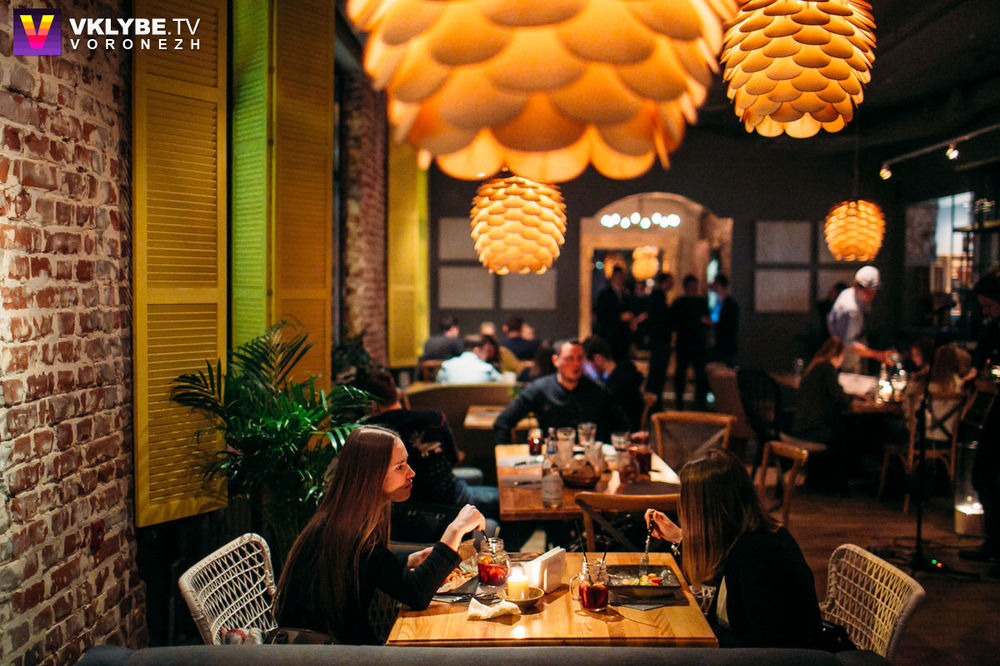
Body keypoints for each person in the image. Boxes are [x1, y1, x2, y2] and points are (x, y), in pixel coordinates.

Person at [275, 425, 486, 644]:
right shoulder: (351, 533)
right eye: (399, 467)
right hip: (325, 653)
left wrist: (408, 560)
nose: (411, 473)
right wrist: (455, 530)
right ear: (371, 475)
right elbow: (415, 594)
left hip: (338, 644)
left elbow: (371, 567)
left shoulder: (345, 520)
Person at [645, 448, 821, 649]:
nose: (683, 511)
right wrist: (678, 537)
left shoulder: (757, 554)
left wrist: (697, 637)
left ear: (707, 511)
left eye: (688, 503)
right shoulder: (749, 538)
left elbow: (761, 645)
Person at [358, 370, 499, 519]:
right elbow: (454, 458)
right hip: (448, 496)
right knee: (504, 498)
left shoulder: (371, 432)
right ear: (396, 393)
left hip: (407, 507)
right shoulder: (434, 419)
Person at [494, 338, 629, 444]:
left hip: (589, 461)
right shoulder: (540, 389)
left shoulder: (597, 390)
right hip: (552, 458)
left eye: (580, 358)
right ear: (556, 361)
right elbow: (502, 422)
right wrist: (506, 456)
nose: (576, 364)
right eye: (570, 358)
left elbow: (622, 425)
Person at [959, 272, 1000, 574]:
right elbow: (982, 351)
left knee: (990, 476)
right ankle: (992, 544)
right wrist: (974, 371)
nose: (986, 312)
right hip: (995, 409)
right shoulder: (994, 326)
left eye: (988, 306)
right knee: (984, 475)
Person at [826, 266, 893, 373]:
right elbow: (849, 344)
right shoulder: (851, 309)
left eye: (872, 291)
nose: (869, 295)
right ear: (856, 284)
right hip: (846, 357)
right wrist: (878, 355)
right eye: (866, 290)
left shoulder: (848, 293)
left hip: (846, 351)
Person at [584, 336, 646, 430]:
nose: (586, 371)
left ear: (598, 358)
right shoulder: (623, 373)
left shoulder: (617, 384)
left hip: (622, 433)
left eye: (587, 365)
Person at [671, 274, 711, 410]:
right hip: (685, 343)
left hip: (697, 343)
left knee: (699, 374)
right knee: (681, 373)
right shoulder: (680, 302)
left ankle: (699, 402)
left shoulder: (700, 302)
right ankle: (680, 402)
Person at [645, 272, 674, 410]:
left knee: (656, 374)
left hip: (659, 341)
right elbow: (660, 321)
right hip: (660, 341)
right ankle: (653, 405)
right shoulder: (658, 297)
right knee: (657, 374)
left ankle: (654, 404)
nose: (672, 284)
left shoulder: (658, 297)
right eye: (670, 281)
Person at [594, 266, 634, 361]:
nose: (620, 279)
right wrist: (620, 317)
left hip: (623, 338)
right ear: (612, 277)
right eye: (618, 276)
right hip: (610, 337)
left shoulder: (626, 295)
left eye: (621, 276)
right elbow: (602, 316)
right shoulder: (605, 295)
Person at [436, 334, 502, 384]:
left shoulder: (446, 366)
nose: (487, 356)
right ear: (476, 350)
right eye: (486, 351)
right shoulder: (487, 369)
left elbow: (438, 385)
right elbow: (502, 384)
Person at [710, 274, 739, 367]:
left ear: (719, 284)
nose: (711, 284)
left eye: (714, 282)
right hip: (719, 344)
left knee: (726, 368)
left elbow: (729, 325)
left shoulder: (730, 304)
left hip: (726, 345)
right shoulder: (718, 303)